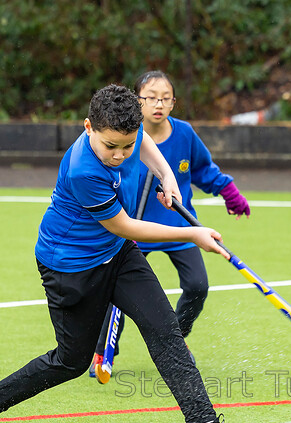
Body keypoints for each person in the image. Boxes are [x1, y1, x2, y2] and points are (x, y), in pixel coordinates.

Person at [0, 84, 253, 423]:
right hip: (70, 267)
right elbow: (125, 226)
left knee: (164, 329)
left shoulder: (126, 128)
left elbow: (142, 141)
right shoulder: (84, 170)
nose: (120, 155)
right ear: (89, 127)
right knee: (71, 362)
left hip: (117, 257)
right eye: (111, 146)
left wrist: (166, 174)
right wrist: (193, 233)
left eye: (125, 147)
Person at [89, 70, 250, 378]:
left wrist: (229, 193)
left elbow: (205, 170)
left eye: (166, 98)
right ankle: (102, 352)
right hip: (136, 231)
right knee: (119, 294)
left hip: (180, 228)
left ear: (174, 103)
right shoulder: (125, 139)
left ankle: (174, 340)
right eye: (151, 98)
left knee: (197, 286)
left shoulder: (185, 134)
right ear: (137, 102)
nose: (158, 104)